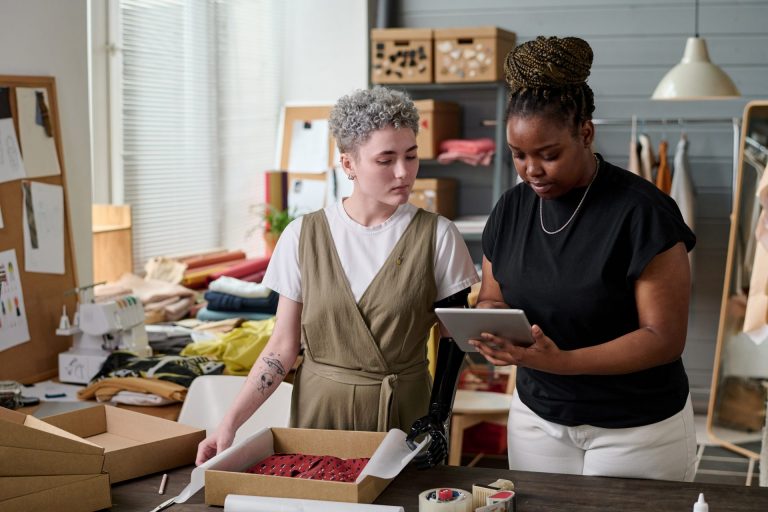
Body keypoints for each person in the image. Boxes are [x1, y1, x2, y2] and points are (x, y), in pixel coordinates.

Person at [196, 86, 479, 465]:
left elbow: (452, 341)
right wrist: (229, 423)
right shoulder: (302, 236)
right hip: (320, 415)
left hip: (404, 417)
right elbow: (282, 347)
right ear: (348, 164)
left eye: (411, 157)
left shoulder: (438, 236)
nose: (403, 172)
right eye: (386, 160)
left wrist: (439, 417)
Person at [470, 36, 698, 481]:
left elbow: (663, 337)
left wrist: (560, 362)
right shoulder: (511, 209)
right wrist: (493, 329)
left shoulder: (642, 212)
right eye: (519, 155)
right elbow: (492, 296)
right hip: (537, 417)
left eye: (548, 155)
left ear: (586, 133)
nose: (532, 169)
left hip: (636, 427)